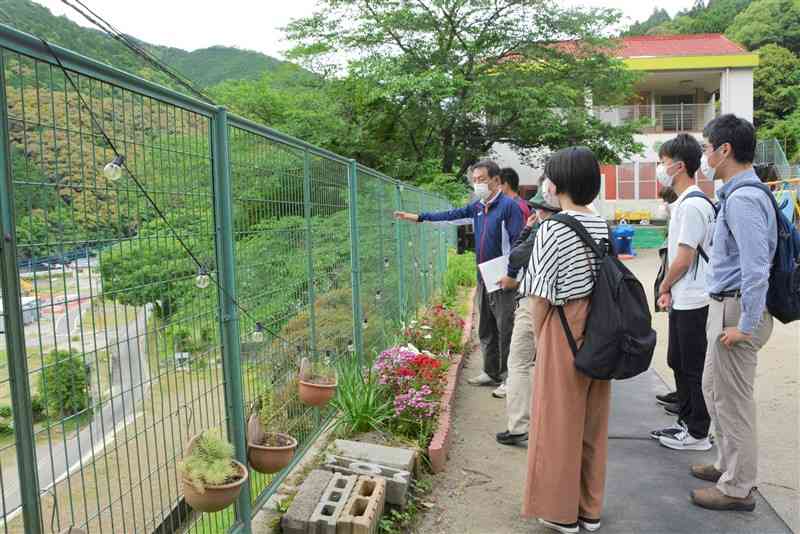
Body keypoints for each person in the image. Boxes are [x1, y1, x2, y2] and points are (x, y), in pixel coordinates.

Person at [521, 146, 610, 534]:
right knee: (592, 421)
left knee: (556, 420)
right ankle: (589, 509)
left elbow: (539, 295)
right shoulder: (601, 223)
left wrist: (541, 339)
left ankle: (560, 513)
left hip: (563, 322)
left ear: (555, 184)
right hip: (602, 325)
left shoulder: (553, 228)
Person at [690, 114, 776, 512]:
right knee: (714, 389)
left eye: (708, 148)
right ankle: (727, 464)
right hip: (725, 303)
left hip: (737, 308)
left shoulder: (743, 199)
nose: (705, 156)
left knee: (733, 401)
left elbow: (757, 267)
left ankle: (739, 487)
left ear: (725, 150)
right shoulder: (736, 194)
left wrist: (745, 326)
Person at [394, 160, 524, 387]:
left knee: (506, 329)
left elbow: (518, 244)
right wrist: (420, 217)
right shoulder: (477, 207)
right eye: (474, 180)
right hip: (483, 276)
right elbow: (451, 214)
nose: (477, 184)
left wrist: (512, 275)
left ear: (496, 180)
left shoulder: (508, 207)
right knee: (486, 328)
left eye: (481, 180)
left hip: (504, 279)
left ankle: (508, 379)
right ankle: (490, 372)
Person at [649, 134, 716, 451]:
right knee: (678, 359)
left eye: (662, 162)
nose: (660, 169)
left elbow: (684, 258)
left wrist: (664, 286)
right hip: (686, 296)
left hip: (695, 297)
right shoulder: (689, 203)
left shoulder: (691, 205)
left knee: (691, 366)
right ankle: (687, 424)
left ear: (678, 166)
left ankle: (698, 432)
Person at [494, 188, 560, 447]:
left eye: (538, 208)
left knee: (519, 362)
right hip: (565, 305)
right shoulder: (581, 224)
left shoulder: (545, 230)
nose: (534, 212)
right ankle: (552, 425)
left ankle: (518, 425)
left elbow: (516, 255)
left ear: (545, 210)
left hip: (534, 300)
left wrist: (527, 230)